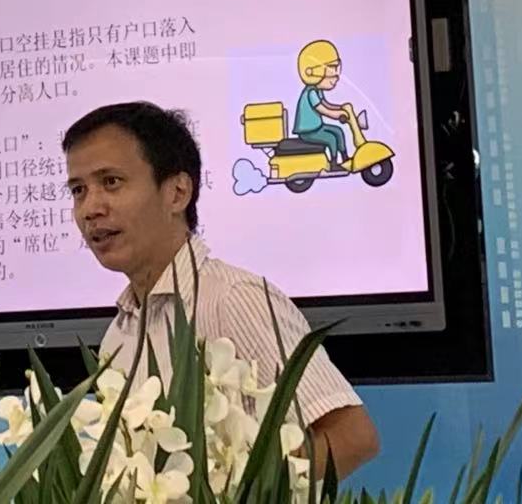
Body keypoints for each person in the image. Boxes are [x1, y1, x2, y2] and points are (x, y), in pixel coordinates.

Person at [62, 100, 379, 479]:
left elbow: (351, 436)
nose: (90, 208)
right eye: (78, 190)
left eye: (111, 182)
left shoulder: (233, 298)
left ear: (178, 192)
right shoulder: (119, 334)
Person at [294, 40, 351, 169]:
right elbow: (322, 109)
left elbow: (326, 104)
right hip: (308, 131)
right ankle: (334, 163)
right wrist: (337, 115)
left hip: (317, 128)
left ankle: (345, 158)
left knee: (338, 131)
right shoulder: (311, 93)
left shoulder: (317, 90)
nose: (335, 74)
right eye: (331, 68)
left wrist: (340, 108)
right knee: (331, 139)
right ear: (312, 71)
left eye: (336, 68)